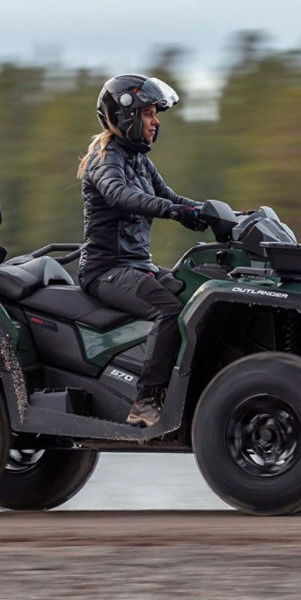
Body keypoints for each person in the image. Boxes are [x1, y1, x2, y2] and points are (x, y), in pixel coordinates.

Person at [77, 74, 208, 427]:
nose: (156, 121)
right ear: (127, 116)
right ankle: (146, 401)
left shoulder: (138, 159)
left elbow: (172, 197)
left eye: (155, 114)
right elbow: (119, 195)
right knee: (168, 310)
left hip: (137, 266)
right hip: (106, 270)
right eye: (149, 113)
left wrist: (216, 214)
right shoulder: (105, 159)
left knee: (195, 295)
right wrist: (172, 211)